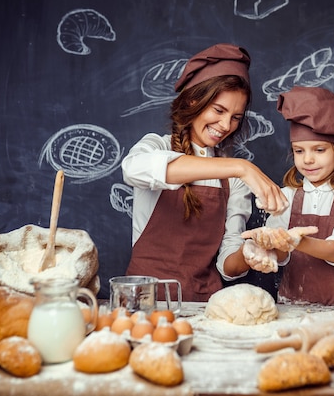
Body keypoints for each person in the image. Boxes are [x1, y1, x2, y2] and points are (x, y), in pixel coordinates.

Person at [121, 43, 289, 302]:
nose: (225, 125)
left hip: (203, 304)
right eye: (219, 110)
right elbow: (133, 169)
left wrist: (248, 255)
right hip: (145, 302)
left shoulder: (234, 180)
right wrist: (241, 166)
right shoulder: (157, 146)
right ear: (193, 100)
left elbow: (227, 264)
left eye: (235, 117)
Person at [239, 86, 334, 306]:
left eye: (319, 150)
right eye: (299, 151)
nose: (307, 160)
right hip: (291, 307)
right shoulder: (286, 196)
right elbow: (281, 258)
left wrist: (296, 240)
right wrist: (267, 246)